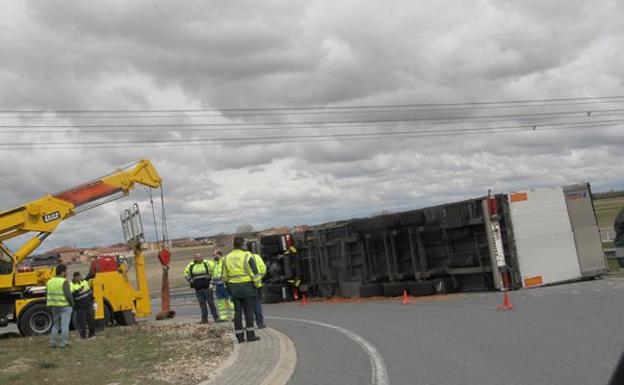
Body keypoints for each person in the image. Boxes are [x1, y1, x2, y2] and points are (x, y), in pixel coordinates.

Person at [223, 237, 262, 343]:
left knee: (237, 313)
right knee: (248, 312)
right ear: (242, 245)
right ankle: (250, 336)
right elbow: (255, 273)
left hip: (234, 288)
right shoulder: (247, 255)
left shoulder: (226, 258)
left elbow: (225, 276)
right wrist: (258, 285)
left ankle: (239, 337)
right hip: (247, 287)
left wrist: (229, 287)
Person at [184, 253, 221, 324]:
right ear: (194, 258)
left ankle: (216, 317)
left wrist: (211, 281)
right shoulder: (191, 265)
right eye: (198, 258)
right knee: (202, 304)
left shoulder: (208, 263)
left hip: (207, 287)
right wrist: (191, 281)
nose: (200, 258)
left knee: (211, 303)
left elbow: (215, 271)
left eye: (201, 257)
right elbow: (186, 274)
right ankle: (204, 319)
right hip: (198, 288)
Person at [46, 264, 74, 348]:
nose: (67, 272)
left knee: (56, 325)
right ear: (62, 272)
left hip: (54, 306)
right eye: (66, 271)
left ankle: (53, 343)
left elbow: (46, 294)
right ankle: (64, 342)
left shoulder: (49, 282)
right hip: (64, 305)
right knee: (64, 325)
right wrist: (72, 303)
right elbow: (68, 295)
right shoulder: (64, 281)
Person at [71, 271, 96, 339]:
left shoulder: (84, 282)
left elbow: (89, 292)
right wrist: (78, 290)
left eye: (80, 277)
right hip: (80, 307)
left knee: (91, 320)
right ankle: (83, 336)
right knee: (82, 322)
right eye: (78, 278)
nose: (79, 279)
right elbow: (71, 296)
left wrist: (94, 300)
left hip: (88, 304)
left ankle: (92, 334)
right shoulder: (71, 285)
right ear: (74, 278)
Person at [212, 250, 234, 321]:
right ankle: (223, 317)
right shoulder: (215, 264)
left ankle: (234, 316)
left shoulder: (224, 262)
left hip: (224, 285)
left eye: (215, 255)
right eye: (213, 255)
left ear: (219, 255)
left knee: (229, 302)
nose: (214, 257)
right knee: (220, 302)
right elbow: (213, 274)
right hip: (217, 286)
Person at [250, 252, 267, 329]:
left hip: (243, 284)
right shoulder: (256, 257)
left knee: (246, 305)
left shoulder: (240, 258)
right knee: (257, 304)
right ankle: (260, 323)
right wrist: (260, 278)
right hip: (256, 284)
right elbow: (263, 269)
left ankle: (249, 324)